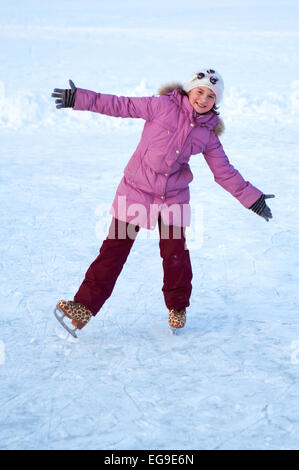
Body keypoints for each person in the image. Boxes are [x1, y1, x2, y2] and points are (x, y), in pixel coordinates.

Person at [51, 69, 275, 337]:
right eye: (200, 91)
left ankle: (178, 308)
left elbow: (224, 172)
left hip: (173, 197)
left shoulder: (207, 135)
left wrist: (253, 199)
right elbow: (120, 105)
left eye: (211, 96)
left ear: (216, 102)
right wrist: (79, 98)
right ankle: (83, 308)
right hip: (135, 190)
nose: (203, 99)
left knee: (175, 253)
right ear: (189, 89)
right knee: (113, 250)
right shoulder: (161, 106)